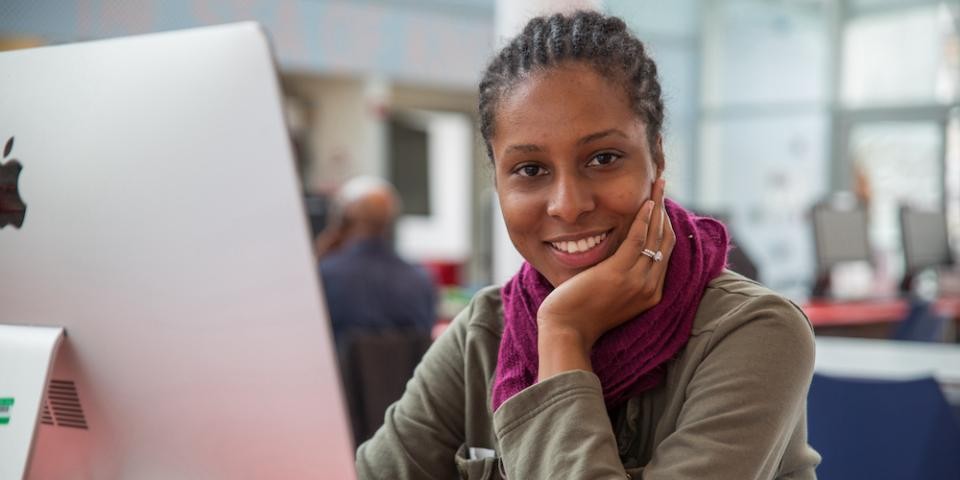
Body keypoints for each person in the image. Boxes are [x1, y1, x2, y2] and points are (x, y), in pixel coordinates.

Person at [356, 11, 820, 479]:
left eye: (603, 158)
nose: (568, 205)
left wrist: (561, 333)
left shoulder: (754, 332)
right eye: (530, 170)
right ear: (496, 181)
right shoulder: (483, 334)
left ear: (657, 159)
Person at [318, 176, 437, 353]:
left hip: (339, 380)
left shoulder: (325, 275)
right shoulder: (420, 280)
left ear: (343, 221)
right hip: (407, 380)